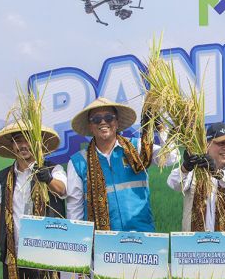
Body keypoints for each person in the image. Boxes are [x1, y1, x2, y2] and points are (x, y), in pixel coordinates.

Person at [0, 123, 66, 279]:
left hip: (45, 255)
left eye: (29, 140)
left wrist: (48, 179)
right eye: (18, 140)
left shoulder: (53, 169)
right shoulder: (4, 177)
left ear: (38, 144)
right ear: (12, 146)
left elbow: (62, 189)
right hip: (13, 255)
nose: (23, 145)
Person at [66, 97, 176, 231]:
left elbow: (172, 158)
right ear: (90, 126)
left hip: (141, 236)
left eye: (109, 117)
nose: (103, 122)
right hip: (102, 242)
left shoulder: (137, 148)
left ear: (117, 122)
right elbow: (74, 209)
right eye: (96, 119)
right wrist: (79, 241)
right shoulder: (78, 162)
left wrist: (160, 128)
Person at [167, 122, 225, 279]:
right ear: (207, 144)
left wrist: (216, 173)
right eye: (221, 143)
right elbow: (173, 183)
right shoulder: (195, 170)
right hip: (197, 251)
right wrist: (186, 167)